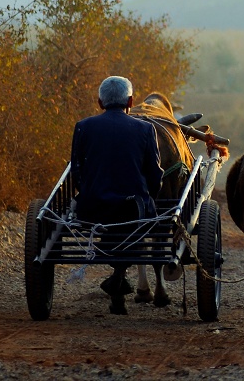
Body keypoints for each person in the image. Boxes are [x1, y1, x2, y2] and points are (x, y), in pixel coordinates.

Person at [70, 76, 164, 313]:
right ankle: (119, 279)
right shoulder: (145, 129)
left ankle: (118, 280)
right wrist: (149, 197)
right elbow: (154, 175)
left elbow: (76, 172)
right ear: (131, 101)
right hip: (133, 210)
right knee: (133, 219)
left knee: (112, 221)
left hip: (92, 210)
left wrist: (91, 194)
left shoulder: (83, 126)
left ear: (100, 102)